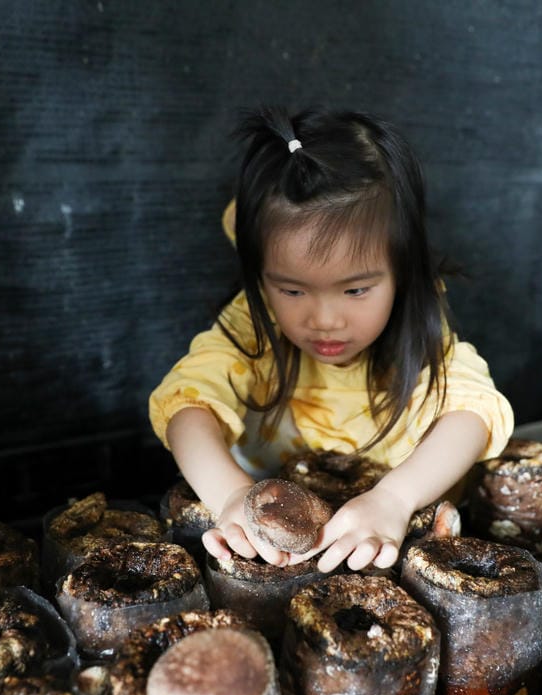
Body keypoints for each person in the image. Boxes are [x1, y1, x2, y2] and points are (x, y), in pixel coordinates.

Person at [149, 107, 514, 573]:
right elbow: (187, 408)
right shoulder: (253, 321)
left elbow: (473, 414)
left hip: (384, 533)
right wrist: (232, 495)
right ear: (262, 276)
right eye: (292, 290)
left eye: (356, 290)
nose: (324, 320)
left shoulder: (417, 316)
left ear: (400, 270)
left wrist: (396, 499)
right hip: (276, 546)